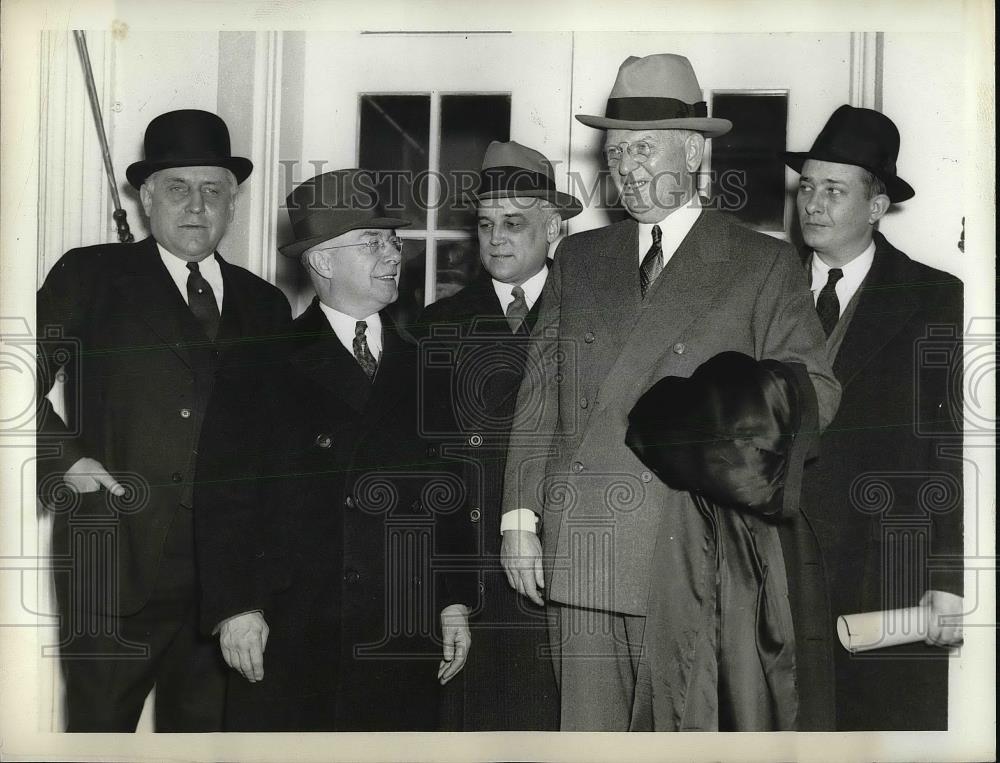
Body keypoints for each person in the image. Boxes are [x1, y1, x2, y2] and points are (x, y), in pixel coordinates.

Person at [499, 53, 841, 731]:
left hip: (689, 552)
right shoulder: (580, 257)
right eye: (616, 149)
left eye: (643, 147)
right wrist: (518, 518)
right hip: (584, 544)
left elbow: (816, 392)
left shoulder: (762, 262)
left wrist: (697, 428)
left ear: (693, 150)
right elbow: (539, 396)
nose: (624, 166)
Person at [35, 109, 292, 731]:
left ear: (234, 201)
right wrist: (64, 461)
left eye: (214, 190)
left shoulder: (265, 303)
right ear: (147, 197)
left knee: (203, 743)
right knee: (98, 736)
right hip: (112, 559)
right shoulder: (91, 275)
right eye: (178, 188)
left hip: (226, 585)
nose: (197, 206)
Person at [195, 169, 473, 730]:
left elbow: (451, 489)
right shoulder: (260, 362)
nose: (393, 253)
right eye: (372, 241)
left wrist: (454, 600)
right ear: (321, 260)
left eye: (393, 240)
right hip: (292, 626)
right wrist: (237, 606)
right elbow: (224, 497)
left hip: (402, 629)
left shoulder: (428, 361)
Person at [781, 105, 964, 730]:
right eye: (806, 186)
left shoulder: (937, 298)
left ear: (877, 205)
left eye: (834, 190)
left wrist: (947, 574)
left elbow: (952, 445)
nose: (813, 203)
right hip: (776, 575)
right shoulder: (764, 289)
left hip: (886, 575)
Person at [416, 141, 582, 730]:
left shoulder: (588, 317)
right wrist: (444, 591)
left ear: (554, 225)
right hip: (473, 574)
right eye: (486, 224)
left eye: (514, 223)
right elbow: (426, 471)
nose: (497, 238)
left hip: (559, 572)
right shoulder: (437, 325)